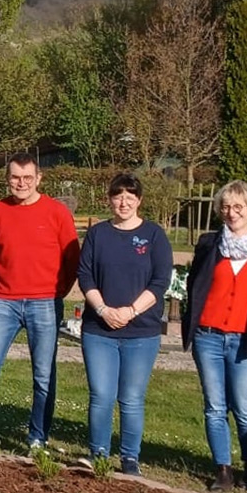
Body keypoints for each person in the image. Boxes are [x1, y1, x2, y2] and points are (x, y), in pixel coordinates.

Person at [0, 153, 80, 450]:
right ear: (8, 179)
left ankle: (37, 436)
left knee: (43, 374)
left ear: (39, 178)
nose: (21, 183)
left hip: (44, 301)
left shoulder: (57, 212)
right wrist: (5, 284)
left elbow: (72, 258)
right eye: (16, 178)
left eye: (27, 178)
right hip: (5, 301)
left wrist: (58, 291)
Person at [77, 173, 173, 475]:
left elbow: (160, 283)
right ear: (109, 198)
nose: (123, 202)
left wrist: (130, 311)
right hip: (99, 331)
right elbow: (86, 276)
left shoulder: (154, 236)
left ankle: (130, 459)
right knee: (101, 395)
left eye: (130, 197)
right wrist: (104, 310)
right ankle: (99, 454)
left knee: (131, 398)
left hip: (141, 333)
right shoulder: (98, 235)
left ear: (139, 200)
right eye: (118, 196)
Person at [181, 180, 247, 492]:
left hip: (244, 339)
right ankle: (223, 470)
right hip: (209, 336)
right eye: (227, 207)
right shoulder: (208, 244)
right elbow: (194, 286)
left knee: (244, 407)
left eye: (239, 207)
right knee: (215, 406)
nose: (232, 213)